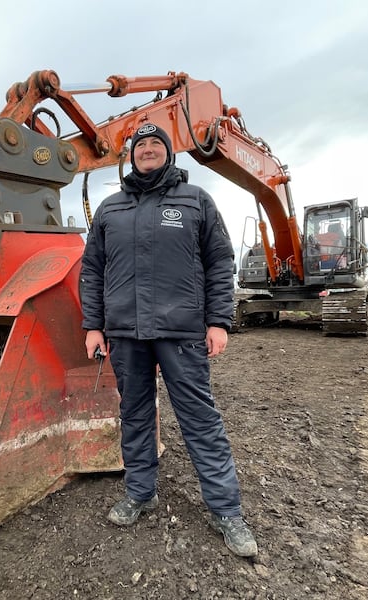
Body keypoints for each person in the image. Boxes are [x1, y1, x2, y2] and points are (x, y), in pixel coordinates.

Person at [79, 123, 258, 557]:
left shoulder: (196, 201)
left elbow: (219, 263)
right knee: (135, 415)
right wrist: (93, 325)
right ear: (131, 155)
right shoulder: (109, 209)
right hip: (125, 333)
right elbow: (92, 271)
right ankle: (141, 493)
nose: (149, 150)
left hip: (181, 332)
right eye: (141, 146)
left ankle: (226, 510)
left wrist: (219, 321)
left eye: (157, 144)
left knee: (200, 418)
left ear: (169, 154)